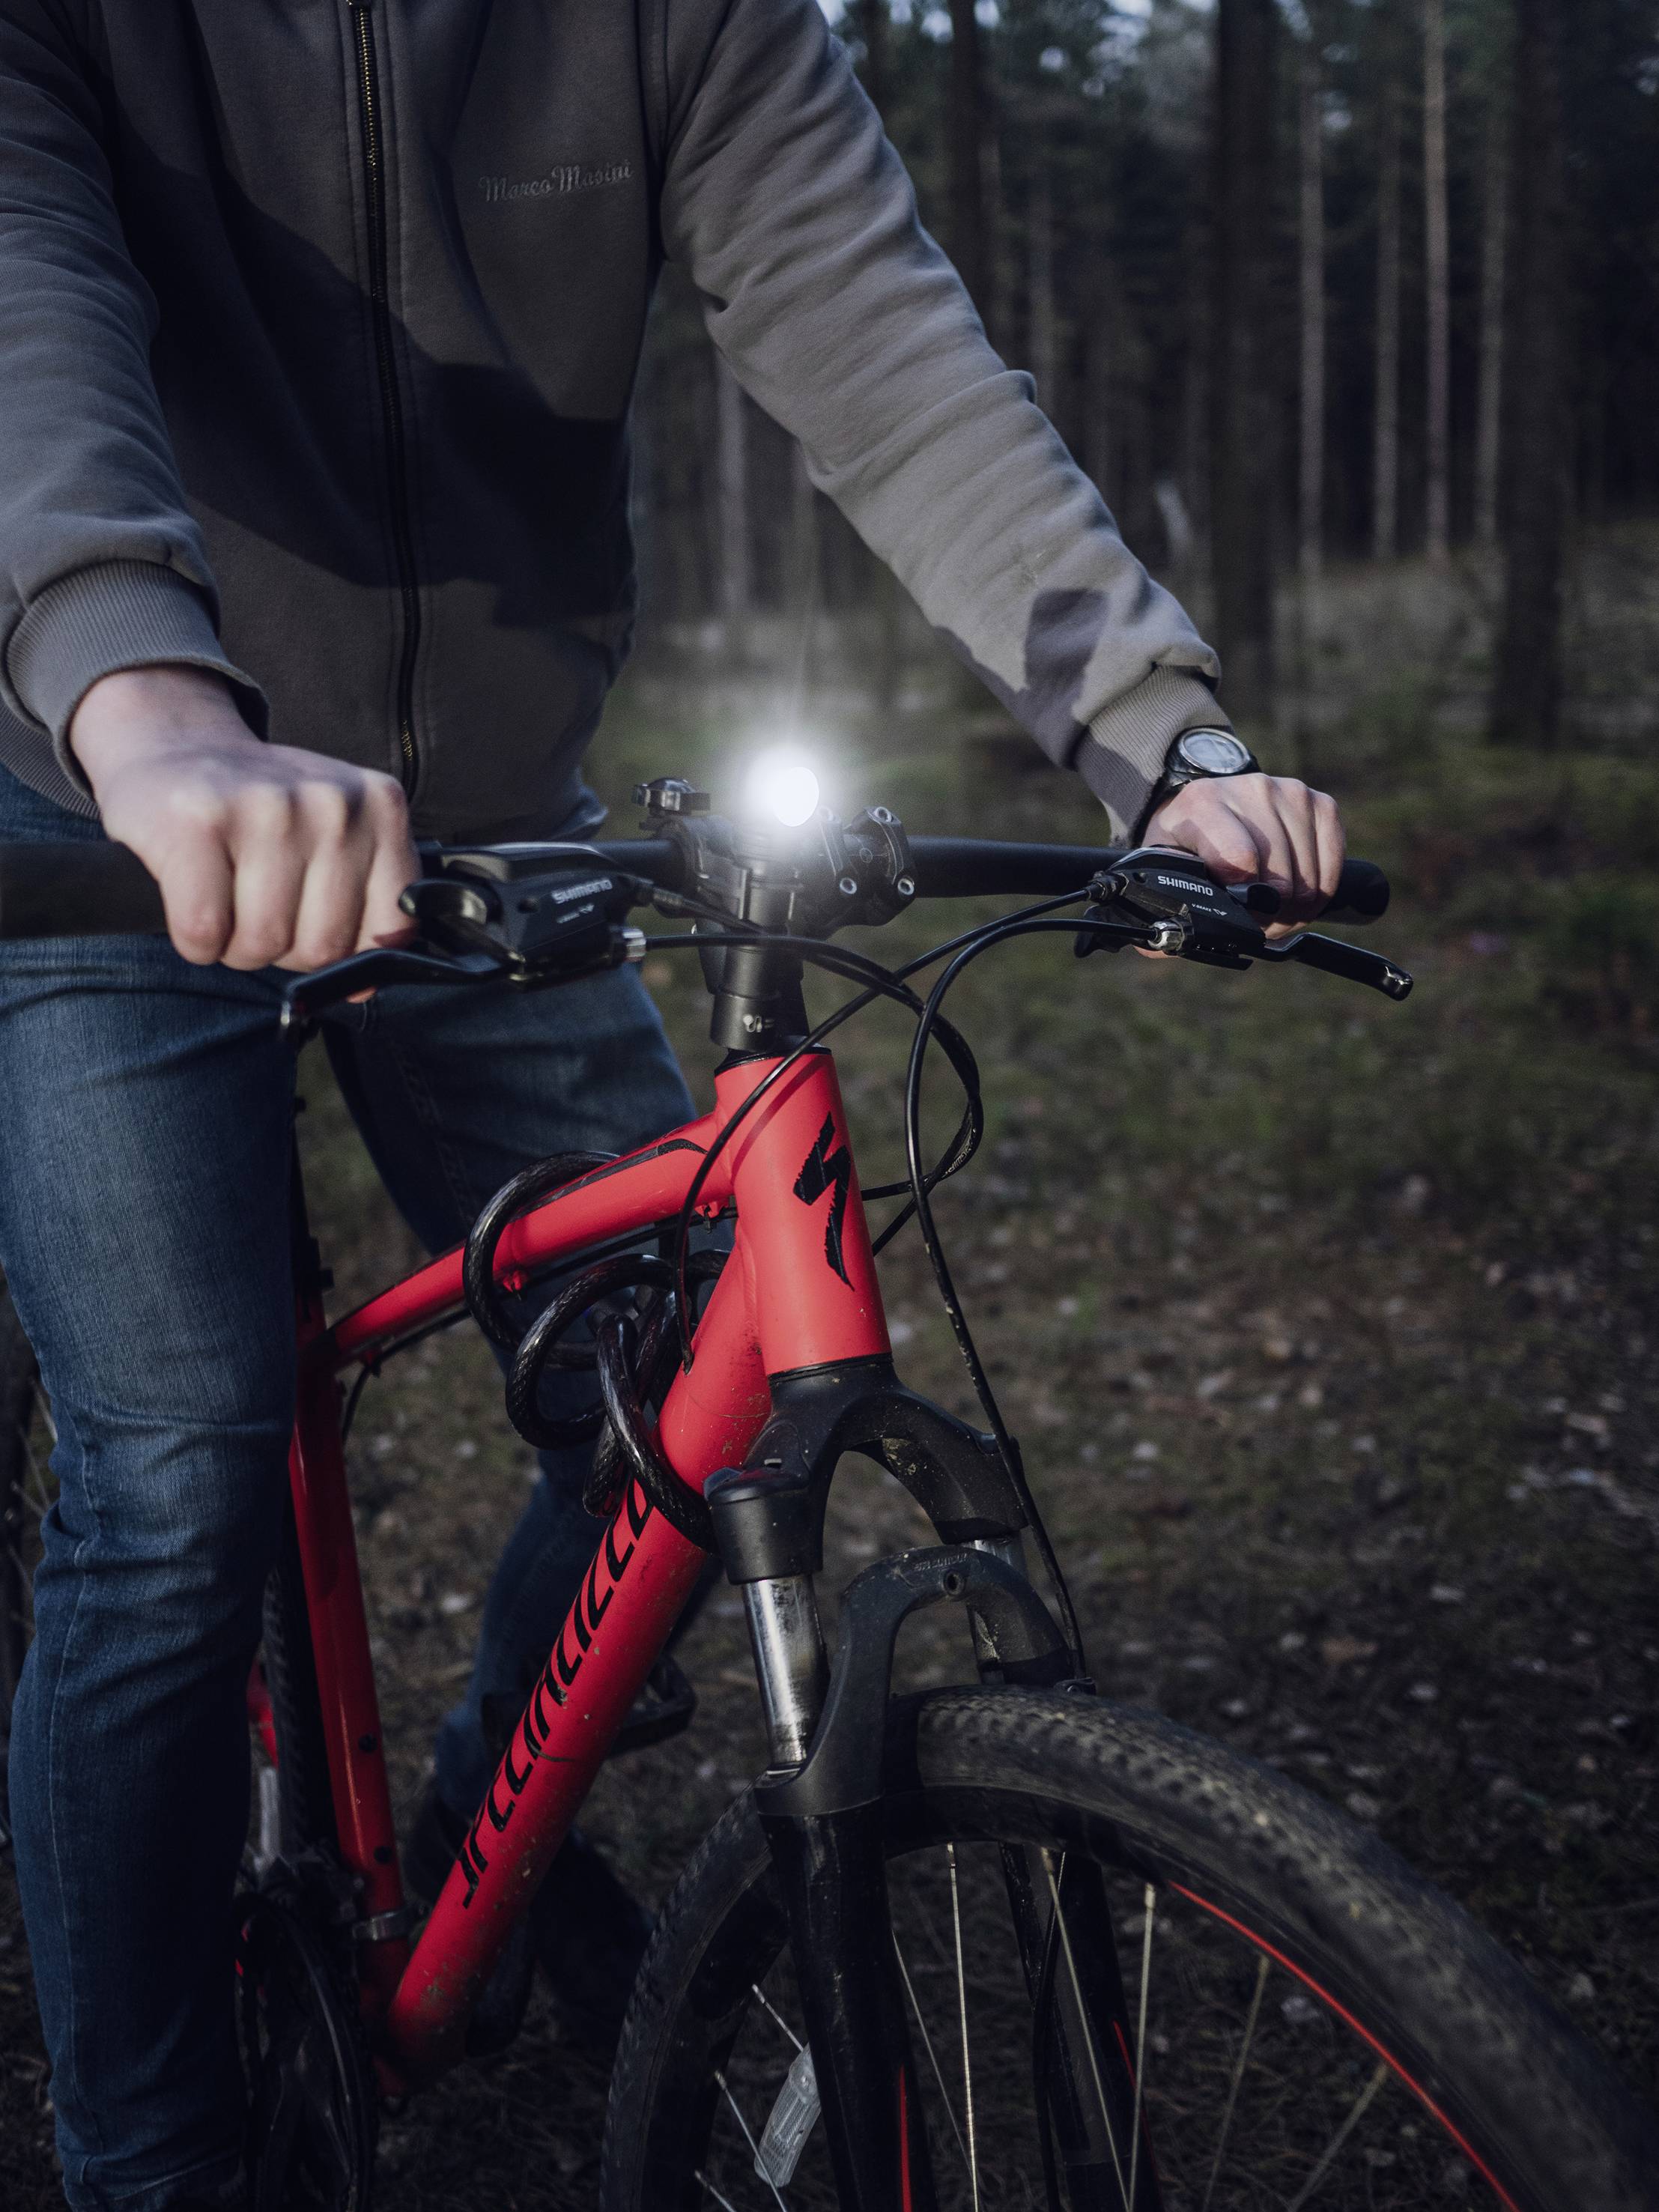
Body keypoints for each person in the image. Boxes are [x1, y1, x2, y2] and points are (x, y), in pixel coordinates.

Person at [0, 3, 1344, 2207]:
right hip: (106, 803)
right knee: (174, 1477)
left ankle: (482, 1845)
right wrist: (146, 706)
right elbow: (24, 298)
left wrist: (1162, 742)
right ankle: (150, 2157)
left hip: (488, 823)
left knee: (689, 1355)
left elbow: (882, 336)